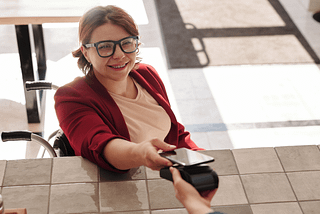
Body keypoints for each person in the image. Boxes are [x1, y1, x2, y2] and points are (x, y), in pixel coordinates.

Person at [54, 5, 202, 173]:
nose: (119, 54)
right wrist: (141, 153)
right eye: (105, 46)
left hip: (167, 175)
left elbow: (174, 132)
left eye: (126, 43)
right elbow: (100, 145)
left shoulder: (147, 74)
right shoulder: (70, 97)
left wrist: (199, 158)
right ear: (86, 52)